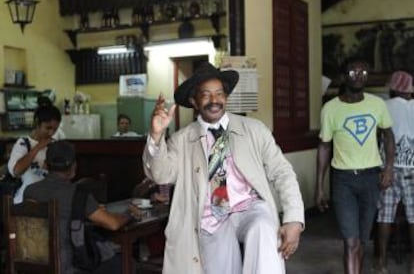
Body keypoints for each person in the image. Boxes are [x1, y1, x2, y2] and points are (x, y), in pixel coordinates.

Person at [143, 62, 304, 274]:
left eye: (219, 93)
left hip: (250, 208)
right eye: (206, 95)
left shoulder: (254, 130)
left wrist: (294, 219)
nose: (214, 100)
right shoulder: (181, 139)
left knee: (264, 230)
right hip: (211, 215)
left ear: (226, 97)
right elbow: (161, 174)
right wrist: (156, 136)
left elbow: (282, 171)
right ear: (194, 100)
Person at [315, 58, 395, 274]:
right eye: (353, 72)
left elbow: (388, 136)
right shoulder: (330, 109)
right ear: (343, 77)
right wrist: (320, 188)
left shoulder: (377, 104)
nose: (359, 75)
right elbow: (324, 147)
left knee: (361, 241)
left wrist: (388, 169)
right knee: (350, 241)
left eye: (363, 72)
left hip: (371, 179)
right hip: (343, 181)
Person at [24, 140, 131, 274]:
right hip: (67, 267)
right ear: (74, 166)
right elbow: (113, 224)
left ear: (46, 165)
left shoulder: (30, 191)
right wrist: (129, 214)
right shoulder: (77, 194)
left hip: (32, 264)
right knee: (122, 262)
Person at [376, 70, 414, 274]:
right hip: (413, 170)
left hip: (387, 169)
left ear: (392, 88)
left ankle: (381, 263)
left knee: (385, 215)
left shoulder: (384, 106)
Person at [8, 104, 62, 204]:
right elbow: (16, 171)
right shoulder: (23, 143)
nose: (51, 133)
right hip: (24, 201)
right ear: (37, 123)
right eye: (48, 128)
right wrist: (37, 147)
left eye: (55, 129)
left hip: (48, 199)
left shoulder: (54, 145)